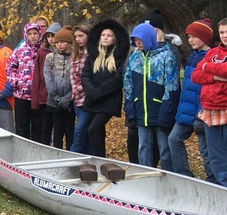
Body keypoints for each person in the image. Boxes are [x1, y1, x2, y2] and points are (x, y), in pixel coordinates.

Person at [124, 22, 180, 168]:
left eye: (140, 40)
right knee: (143, 146)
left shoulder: (166, 57)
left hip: (160, 108)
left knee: (164, 148)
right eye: (135, 41)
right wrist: (130, 110)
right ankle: (146, 176)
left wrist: (167, 110)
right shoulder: (135, 58)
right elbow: (128, 84)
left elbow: (172, 85)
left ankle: (169, 176)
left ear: (149, 38)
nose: (137, 43)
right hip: (141, 109)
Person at [166, 18, 214, 178]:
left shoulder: (211, 57)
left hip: (203, 113)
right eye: (188, 37)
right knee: (173, 139)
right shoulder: (193, 56)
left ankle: (214, 181)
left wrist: (202, 113)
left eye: (194, 36)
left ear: (205, 37)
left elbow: (209, 88)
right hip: (186, 111)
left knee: (206, 151)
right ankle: (184, 176)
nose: (190, 40)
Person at [80, 20, 129, 158]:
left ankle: (99, 159)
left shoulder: (120, 57)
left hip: (109, 100)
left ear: (115, 38)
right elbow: (85, 75)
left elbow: (118, 79)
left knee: (93, 129)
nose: (105, 37)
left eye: (109, 35)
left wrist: (99, 91)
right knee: (98, 131)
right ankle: (101, 158)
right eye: (103, 35)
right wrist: (91, 91)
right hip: (93, 99)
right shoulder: (94, 55)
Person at [192, 18, 227, 187]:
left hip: (225, 108)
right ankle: (222, 189)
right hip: (209, 111)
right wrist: (216, 76)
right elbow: (195, 75)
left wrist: (206, 67)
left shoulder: (209, 59)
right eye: (221, 32)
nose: (225, 36)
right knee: (216, 157)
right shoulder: (212, 53)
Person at [6, 21, 42, 140]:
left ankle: (37, 153)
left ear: (40, 34)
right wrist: (16, 82)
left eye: (35, 33)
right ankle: (22, 153)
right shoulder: (19, 50)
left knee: (38, 127)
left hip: (39, 96)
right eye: (30, 33)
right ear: (25, 35)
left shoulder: (44, 50)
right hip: (22, 95)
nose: (32, 36)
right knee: (22, 127)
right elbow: (10, 68)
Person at [30, 22, 62, 145]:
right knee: (45, 127)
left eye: (53, 36)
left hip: (61, 96)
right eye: (48, 37)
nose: (51, 39)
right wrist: (35, 99)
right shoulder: (42, 53)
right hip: (44, 96)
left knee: (59, 128)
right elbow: (37, 77)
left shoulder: (66, 52)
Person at [44, 27, 75, 149]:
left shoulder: (75, 57)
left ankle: (70, 155)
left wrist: (68, 98)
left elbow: (78, 80)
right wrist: (56, 97)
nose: (59, 44)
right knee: (57, 131)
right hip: (53, 101)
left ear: (69, 42)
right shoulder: (50, 57)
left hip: (70, 101)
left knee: (69, 130)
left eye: (62, 42)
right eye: (57, 42)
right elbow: (48, 77)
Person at [69, 23, 93, 154]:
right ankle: (86, 161)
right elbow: (73, 76)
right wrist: (76, 91)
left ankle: (73, 157)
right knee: (85, 132)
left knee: (79, 131)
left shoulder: (93, 54)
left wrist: (81, 90)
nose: (78, 39)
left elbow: (92, 78)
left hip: (89, 99)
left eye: (81, 36)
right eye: (76, 36)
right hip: (77, 99)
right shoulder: (75, 54)